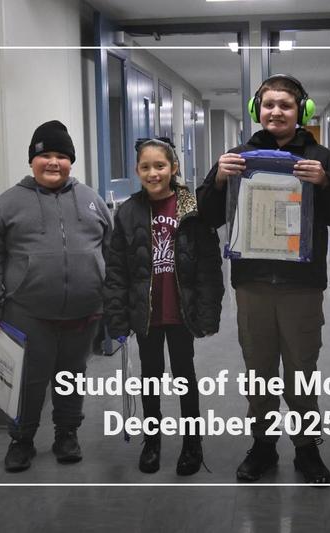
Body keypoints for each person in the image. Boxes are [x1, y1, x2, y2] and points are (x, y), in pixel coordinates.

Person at [196, 74, 330, 484]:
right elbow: (205, 214)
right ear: (257, 110)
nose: (276, 112)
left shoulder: (322, 158)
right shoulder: (237, 157)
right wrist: (218, 178)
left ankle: (307, 449)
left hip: (302, 285)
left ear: (301, 110)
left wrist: (325, 182)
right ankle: (263, 446)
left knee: (301, 370)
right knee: (258, 370)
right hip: (252, 284)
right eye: (268, 104)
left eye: (285, 105)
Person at [0, 120, 112, 472]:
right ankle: (21, 440)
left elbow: (111, 251)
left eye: (61, 156)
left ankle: (67, 435)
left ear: (71, 162)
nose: (53, 162)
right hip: (27, 313)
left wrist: (111, 300)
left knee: (72, 377)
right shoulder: (8, 204)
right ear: (32, 161)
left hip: (83, 311)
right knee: (28, 380)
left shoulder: (91, 200)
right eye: (45, 155)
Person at [104, 138, 224, 476]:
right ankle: (152, 441)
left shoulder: (191, 207)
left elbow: (209, 265)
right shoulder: (128, 212)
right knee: (150, 377)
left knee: (185, 375)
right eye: (145, 167)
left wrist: (209, 310)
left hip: (181, 310)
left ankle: (192, 443)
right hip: (147, 312)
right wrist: (117, 316)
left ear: (173, 168)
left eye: (160, 166)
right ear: (137, 170)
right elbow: (116, 269)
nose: (153, 173)